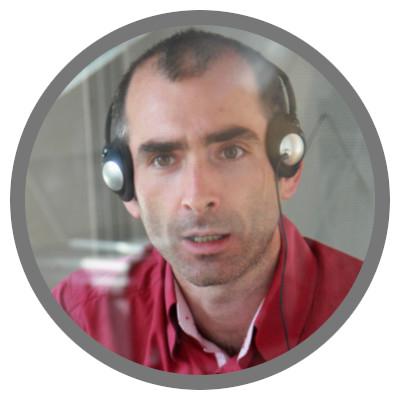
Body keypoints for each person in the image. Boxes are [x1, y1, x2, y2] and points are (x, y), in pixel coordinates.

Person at [52, 29, 362, 374]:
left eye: (231, 152)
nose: (197, 198)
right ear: (125, 185)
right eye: (163, 159)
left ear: (288, 168)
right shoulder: (77, 320)